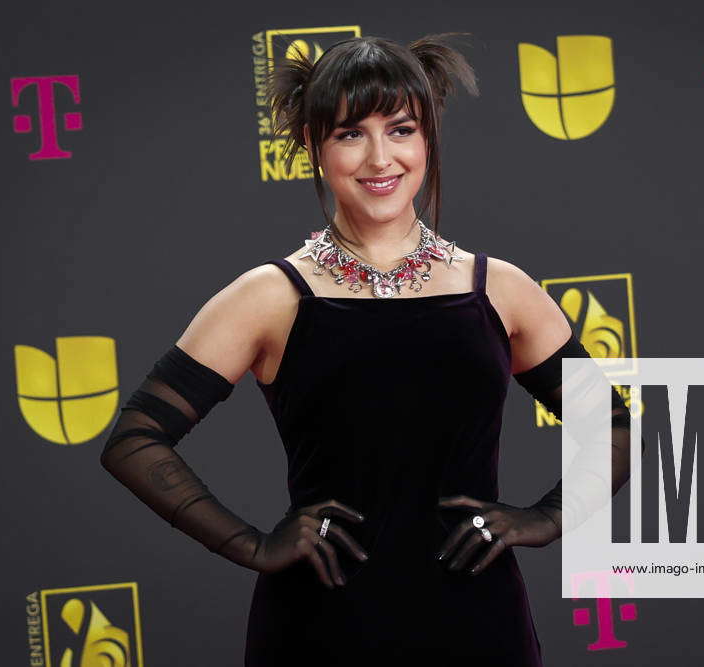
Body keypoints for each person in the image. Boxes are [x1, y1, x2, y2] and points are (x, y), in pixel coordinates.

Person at [99, 33, 635, 665]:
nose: (381, 158)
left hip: (478, 623)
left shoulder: (503, 290)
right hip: (321, 625)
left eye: (401, 129)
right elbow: (133, 439)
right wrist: (251, 545)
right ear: (313, 148)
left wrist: (543, 520)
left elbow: (614, 425)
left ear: (428, 139)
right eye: (351, 133)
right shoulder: (271, 296)